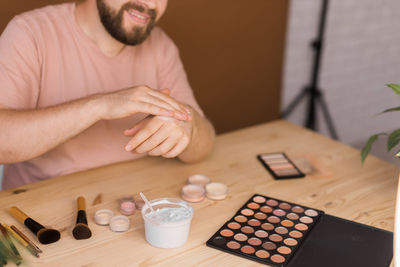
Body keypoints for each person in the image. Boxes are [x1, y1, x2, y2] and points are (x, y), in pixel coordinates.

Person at [0, 0, 215, 190]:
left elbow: (203, 146)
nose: (150, 4)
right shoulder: (29, 33)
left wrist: (189, 127)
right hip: (40, 213)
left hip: (133, 202)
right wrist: (99, 106)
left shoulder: (160, 45)